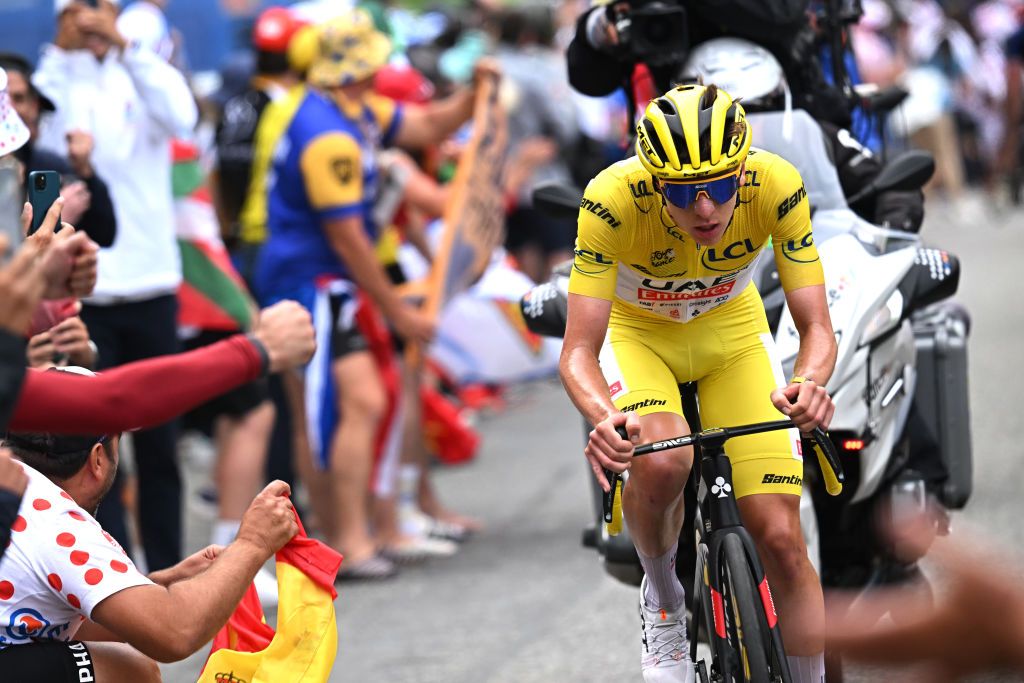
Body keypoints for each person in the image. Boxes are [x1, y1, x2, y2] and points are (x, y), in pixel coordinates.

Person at [559, 83, 836, 683]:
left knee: (783, 538)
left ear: (742, 170)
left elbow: (815, 326)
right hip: (640, 335)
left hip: (730, 334)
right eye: (684, 193)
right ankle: (662, 604)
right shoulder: (610, 199)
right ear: (657, 184)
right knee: (663, 458)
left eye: (719, 187)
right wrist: (605, 416)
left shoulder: (778, 184)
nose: (705, 209)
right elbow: (579, 349)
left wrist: (810, 383)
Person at [255, 9, 499, 579]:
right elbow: (348, 238)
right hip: (307, 285)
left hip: (329, 283)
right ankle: (345, 538)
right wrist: (396, 311)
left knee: (356, 404)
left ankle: (350, 535)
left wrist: (473, 91)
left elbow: (427, 125)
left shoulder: (354, 110)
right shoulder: (328, 135)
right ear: (354, 70)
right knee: (331, 412)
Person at [33, 0, 199, 571]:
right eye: (76, 8)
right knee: (95, 452)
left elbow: (183, 116)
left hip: (152, 282)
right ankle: (118, 581)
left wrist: (126, 50)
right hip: (88, 293)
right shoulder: (57, 77)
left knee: (161, 445)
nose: (90, 18)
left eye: (99, 5)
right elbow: (38, 134)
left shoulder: (143, 72)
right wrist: (61, 49)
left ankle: (175, 572)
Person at [0, 415, 299, 681]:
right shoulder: (58, 523)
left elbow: (60, 621)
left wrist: (156, 586)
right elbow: (174, 633)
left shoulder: (14, 483)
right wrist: (253, 543)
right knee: (129, 670)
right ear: (98, 458)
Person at [0, 52, 117, 248]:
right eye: (3, 100)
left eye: (18, 98)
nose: (10, 108)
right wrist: (48, 226)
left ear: (34, 105)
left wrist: (86, 173)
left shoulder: (51, 167)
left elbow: (104, 234)